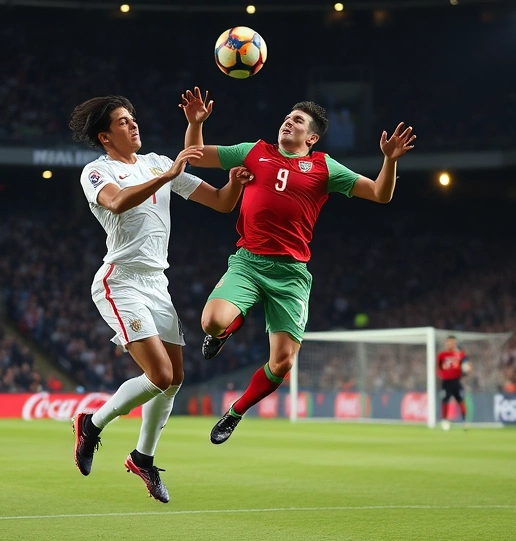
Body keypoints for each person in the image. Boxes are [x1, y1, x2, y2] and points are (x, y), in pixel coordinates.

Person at [178, 87, 416, 444]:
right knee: (211, 320)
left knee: (283, 363)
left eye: (298, 121)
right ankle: (222, 332)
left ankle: (235, 412)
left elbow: (381, 194)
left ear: (312, 137)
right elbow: (195, 157)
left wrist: (390, 160)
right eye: (287, 118)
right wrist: (196, 123)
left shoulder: (324, 167)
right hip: (248, 262)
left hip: (290, 274)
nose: (288, 122)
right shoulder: (254, 151)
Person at [69, 95, 252, 502]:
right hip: (121, 282)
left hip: (157, 284)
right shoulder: (98, 171)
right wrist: (168, 175)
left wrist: (236, 183)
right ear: (105, 136)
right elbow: (117, 202)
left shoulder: (157, 162)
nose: (133, 125)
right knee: (161, 375)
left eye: (133, 118)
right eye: (122, 122)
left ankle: (142, 458)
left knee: (175, 379)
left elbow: (221, 203)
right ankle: (91, 424)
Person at [437, 336, 471, 430]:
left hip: (456, 381)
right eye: (448, 342)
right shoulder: (442, 355)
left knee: (461, 401)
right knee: (445, 401)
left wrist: (466, 370)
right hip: (446, 382)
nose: (450, 344)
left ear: (455, 343)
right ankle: (445, 421)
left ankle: (464, 421)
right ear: (446, 343)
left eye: (452, 342)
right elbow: (438, 368)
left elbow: (468, 366)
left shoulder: (461, 355)